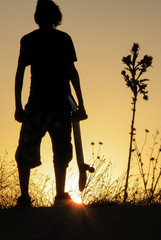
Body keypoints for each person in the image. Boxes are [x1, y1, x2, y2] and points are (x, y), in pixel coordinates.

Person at [15, 0, 87, 208]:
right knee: (60, 152)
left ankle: (26, 197)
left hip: (43, 105)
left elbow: (20, 74)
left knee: (31, 151)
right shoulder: (61, 39)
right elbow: (73, 73)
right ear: (56, 17)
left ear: (37, 17)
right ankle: (58, 195)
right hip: (53, 105)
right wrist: (81, 104)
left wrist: (18, 106)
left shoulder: (31, 40)